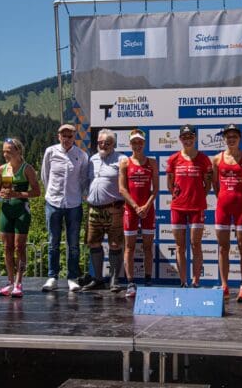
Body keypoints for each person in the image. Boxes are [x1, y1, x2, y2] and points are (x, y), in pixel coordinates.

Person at [41, 124, 89, 292]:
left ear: (74, 137)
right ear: (58, 136)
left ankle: (72, 278)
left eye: (70, 136)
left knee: (74, 244)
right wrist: (51, 194)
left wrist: (77, 194)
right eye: (64, 136)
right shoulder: (50, 152)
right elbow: (45, 176)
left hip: (74, 204)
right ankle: (52, 277)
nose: (67, 139)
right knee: (53, 242)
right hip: (53, 203)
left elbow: (83, 179)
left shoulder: (82, 155)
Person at [212, 124, 242, 302]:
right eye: (228, 137)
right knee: (223, 248)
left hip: (240, 207)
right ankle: (224, 285)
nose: (231, 139)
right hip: (222, 206)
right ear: (224, 139)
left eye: (234, 137)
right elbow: (215, 184)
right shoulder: (216, 159)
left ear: (239, 139)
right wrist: (222, 197)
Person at [167, 124, 212, 288]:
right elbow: (170, 185)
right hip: (178, 207)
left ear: (195, 138)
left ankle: (196, 281)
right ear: (180, 139)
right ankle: (183, 281)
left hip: (197, 207)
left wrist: (198, 196)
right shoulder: (173, 159)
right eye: (184, 137)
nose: (187, 140)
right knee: (180, 246)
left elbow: (208, 185)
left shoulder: (204, 159)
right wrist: (180, 197)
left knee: (196, 244)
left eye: (190, 136)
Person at [82, 129, 127, 292]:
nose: (103, 145)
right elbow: (88, 181)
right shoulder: (92, 159)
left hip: (114, 209)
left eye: (107, 142)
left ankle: (114, 280)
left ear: (113, 144)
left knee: (115, 244)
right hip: (94, 209)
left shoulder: (122, 159)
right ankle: (98, 279)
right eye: (100, 142)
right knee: (93, 242)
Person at [0, 137, 41, 297]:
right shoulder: (2, 169)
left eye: (8, 151)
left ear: (18, 151)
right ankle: (10, 282)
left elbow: (37, 192)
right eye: (3, 151)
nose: (5, 154)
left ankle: (19, 282)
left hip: (22, 211)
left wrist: (17, 194)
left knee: (18, 247)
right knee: (7, 247)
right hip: (6, 211)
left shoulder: (27, 169)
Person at [118, 129, 159, 299]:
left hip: (148, 210)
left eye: (140, 142)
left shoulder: (152, 162)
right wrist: (136, 207)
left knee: (148, 247)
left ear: (144, 143)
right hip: (131, 210)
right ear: (130, 144)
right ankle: (131, 283)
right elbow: (122, 189)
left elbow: (155, 188)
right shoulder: (125, 163)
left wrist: (146, 206)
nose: (137, 145)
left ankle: (148, 280)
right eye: (134, 142)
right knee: (129, 247)